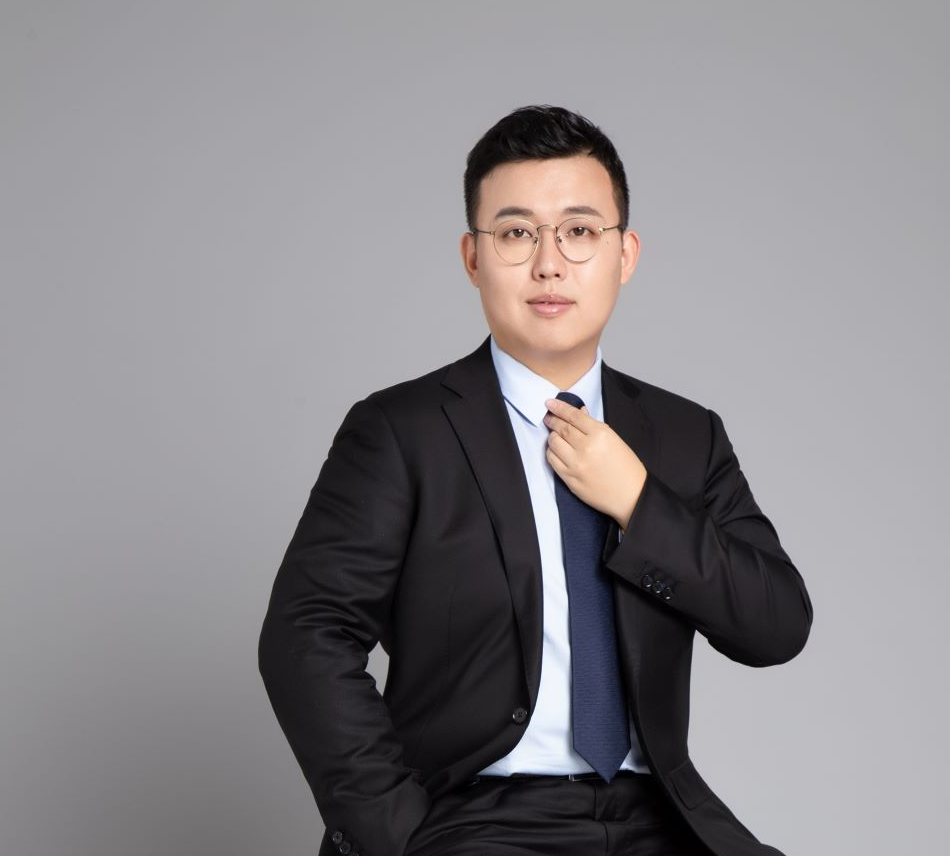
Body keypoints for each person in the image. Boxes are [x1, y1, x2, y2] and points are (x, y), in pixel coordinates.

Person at [258, 105, 813, 856]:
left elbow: (776, 625)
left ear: (625, 254)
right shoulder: (399, 431)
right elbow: (305, 635)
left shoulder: (686, 436)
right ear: (472, 257)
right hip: (474, 816)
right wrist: (399, 835)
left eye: (579, 231)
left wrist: (639, 503)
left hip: (657, 814)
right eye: (517, 233)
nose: (549, 263)